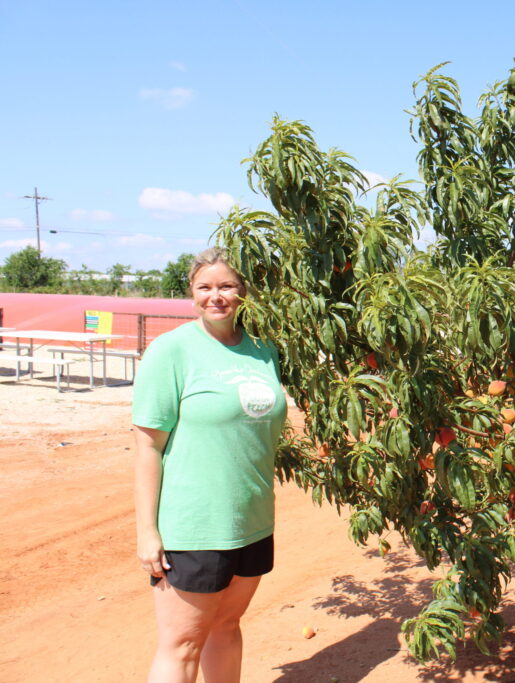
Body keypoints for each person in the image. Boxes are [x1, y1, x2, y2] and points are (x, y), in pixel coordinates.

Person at [133, 247, 286, 683]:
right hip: (193, 527)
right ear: (191, 293)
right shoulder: (172, 351)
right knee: (181, 645)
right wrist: (148, 532)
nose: (215, 296)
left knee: (227, 627)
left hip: (252, 520)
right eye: (204, 287)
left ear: (244, 293)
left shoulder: (264, 350)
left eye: (226, 286)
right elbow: (147, 447)